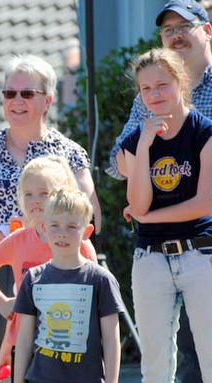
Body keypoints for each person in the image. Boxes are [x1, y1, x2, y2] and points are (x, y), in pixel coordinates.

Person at [0, 53, 101, 381]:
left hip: (53, 276)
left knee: (49, 366)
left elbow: (92, 217)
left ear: (47, 100)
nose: (16, 101)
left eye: (27, 93)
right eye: (9, 93)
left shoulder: (69, 153)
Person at [121, 47, 212, 383]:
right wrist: (144, 145)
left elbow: (206, 203)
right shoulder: (136, 139)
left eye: (162, 85)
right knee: (156, 368)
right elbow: (139, 204)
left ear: (181, 81)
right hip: (151, 259)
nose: (154, 94)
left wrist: (150, 218)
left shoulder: (205, 132)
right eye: (146, 89)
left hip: (200, 255)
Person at [0, 156, 98, 380]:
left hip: (70, 345)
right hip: (25, 345)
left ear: (61, 195)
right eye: (28, 194)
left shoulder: (80, 244)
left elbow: (96, 298)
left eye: (44, 193)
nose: (35, 200)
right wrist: (2, 304)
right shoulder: (18, 241)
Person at [13, 187, 124, 383]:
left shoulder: (101, 280)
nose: (62, 233)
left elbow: (111, 341)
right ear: (45, 229)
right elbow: (23, 341)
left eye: (72, 226)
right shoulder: (32, 279)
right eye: (54, 225)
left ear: (86, 232)